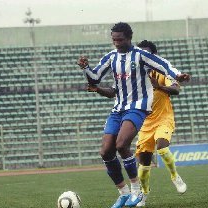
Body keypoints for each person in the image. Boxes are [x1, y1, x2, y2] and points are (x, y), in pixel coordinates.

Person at [77, 22, 190, 208]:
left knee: (122, 144)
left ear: (129, 38)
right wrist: (86, 68)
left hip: (138, 107)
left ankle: (136, 190)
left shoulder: (141, 55)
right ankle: (123, 192)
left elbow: (163, 65)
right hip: (118, 108)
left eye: (120, 39)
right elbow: (95, 77)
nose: (116, 43)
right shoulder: (111, 57)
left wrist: (178, 75)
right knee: (105, 151)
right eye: (114, 39)